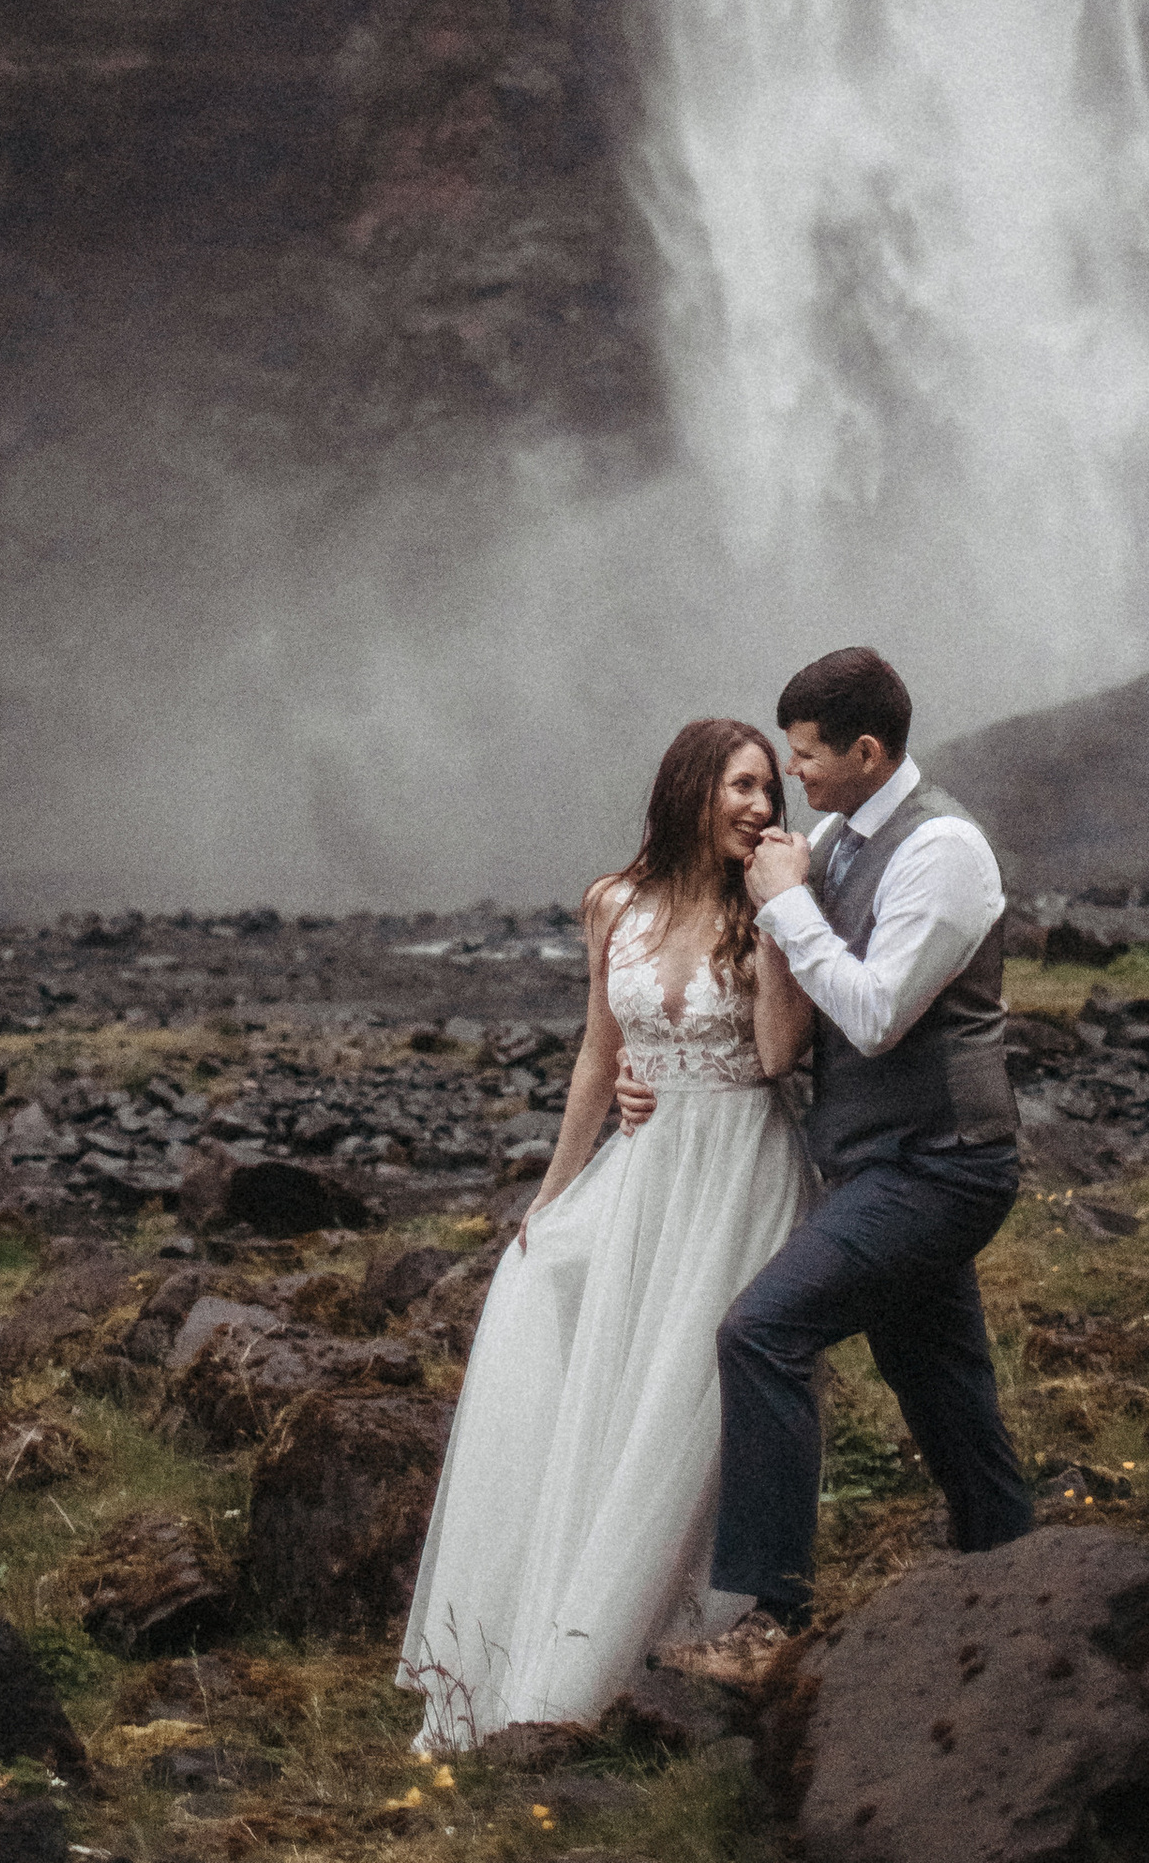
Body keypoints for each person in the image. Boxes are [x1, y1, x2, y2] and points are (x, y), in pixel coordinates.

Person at [395, 719, 816, 1748]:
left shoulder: (764, 905)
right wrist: (553, 1194)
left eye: (770, 789)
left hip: (742, 1167)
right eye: (742, 786)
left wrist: (782, 921)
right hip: (645, 1165)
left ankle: (694, 1629)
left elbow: (775, 1058)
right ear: (690, 790)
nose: (761, 806)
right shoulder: (612, 904)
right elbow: (599, 1052)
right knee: (593, 1351)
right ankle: (560, 1612)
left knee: (693, 1387)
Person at [663, 642, 1031, 1665]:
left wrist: (786, 902)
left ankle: (771, 1622)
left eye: (808, 755)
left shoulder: (943, 850)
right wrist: (659, 1066)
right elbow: (772, 993)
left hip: (944, 1166)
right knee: (943, 1393)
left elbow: (871, 1016)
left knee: (761, 1333)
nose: (794, 775)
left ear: (867, 752)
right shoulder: (832, 840)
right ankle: (1019, 1586)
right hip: (883, 1165)